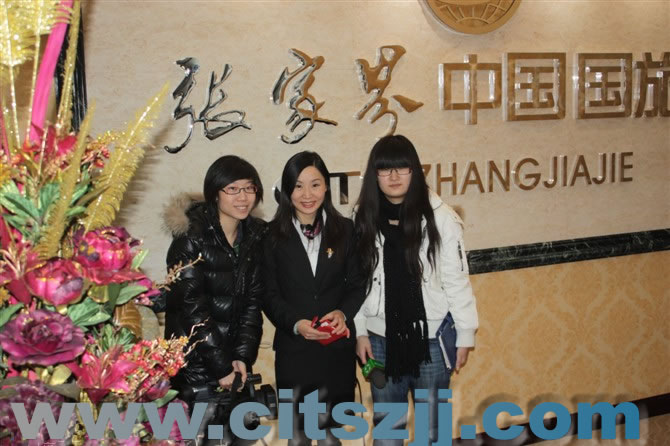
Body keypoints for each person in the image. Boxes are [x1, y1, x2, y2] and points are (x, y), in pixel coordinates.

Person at [353, 135, 479, 446]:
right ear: (374, 175)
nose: (394, 176)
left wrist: (465, 334)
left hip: (431, 341)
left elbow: (456, 279)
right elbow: (356, 281)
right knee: (388, 432)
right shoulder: (363, 216)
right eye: (385, 169)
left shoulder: (441, 217)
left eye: (402, 168)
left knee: (432, 432)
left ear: (415, 171)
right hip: (380, 339)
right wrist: (359, 331)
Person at [262, 151, 365, 446]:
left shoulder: (345, 230)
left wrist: (343, 313)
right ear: (287, 190)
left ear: (326, 187)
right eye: (298, 186)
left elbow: (358, 284)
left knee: (331, 434)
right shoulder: (270, 235)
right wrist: (296, 323)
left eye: (315, 185)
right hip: (295, 352)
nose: (307, 195)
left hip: (336, 353)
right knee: (299, 436)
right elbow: (268, 295)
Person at [163, 155, 267, 443]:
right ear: (215, 193)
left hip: (234, 368)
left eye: (249, 188)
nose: (243, 197)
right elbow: (192, 310)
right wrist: (221, 367)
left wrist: (242, 357)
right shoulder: (190, 239)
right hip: (194, 368)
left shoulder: (254, 237)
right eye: (232, 189)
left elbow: (252, 305)